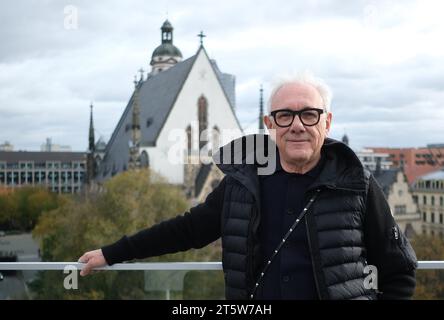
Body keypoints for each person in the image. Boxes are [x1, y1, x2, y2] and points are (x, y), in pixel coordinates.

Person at [78, 72, 417, 300]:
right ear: (270, 125)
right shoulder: (244, 183)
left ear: (326, 123)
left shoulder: (357, 184)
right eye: (285, 116)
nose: (297, 125)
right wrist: (113, 253)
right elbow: (188, 229)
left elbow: (399, 270)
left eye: (309, 114)